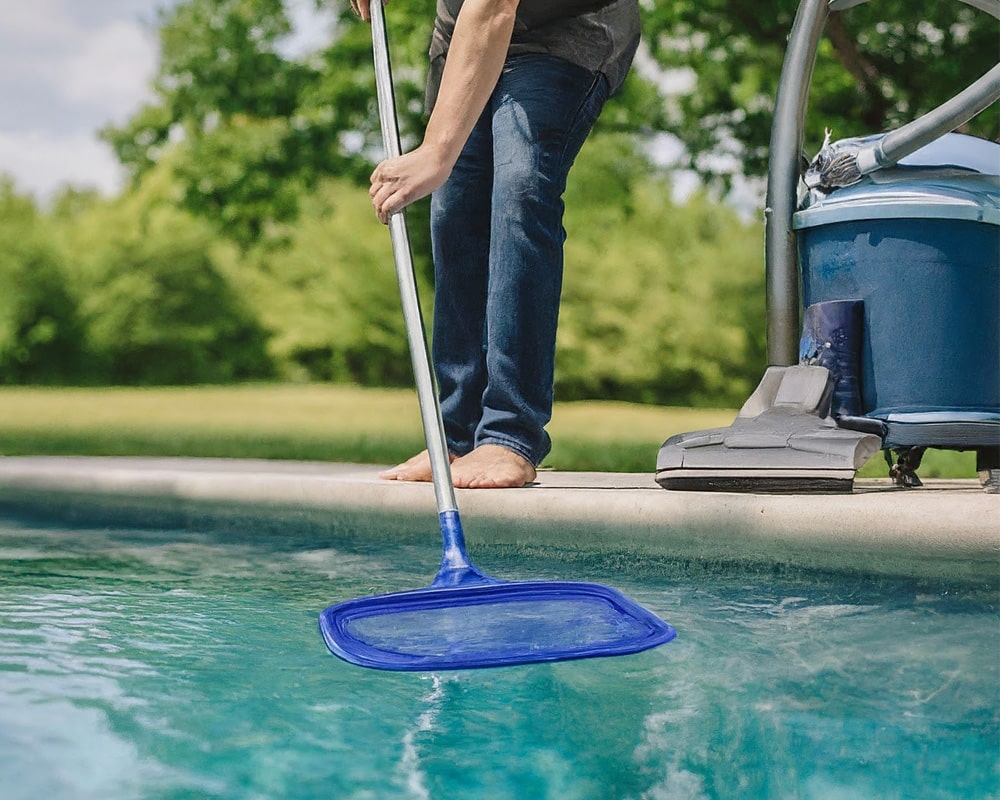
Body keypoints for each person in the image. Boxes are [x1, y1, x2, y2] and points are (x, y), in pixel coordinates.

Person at [352, 0, 641, 487]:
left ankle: (509, 435)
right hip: (462, 35)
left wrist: (436, 152)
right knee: (455, 211)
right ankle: (455, 435)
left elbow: (492, 6)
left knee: (520, 187)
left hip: (568, 29)